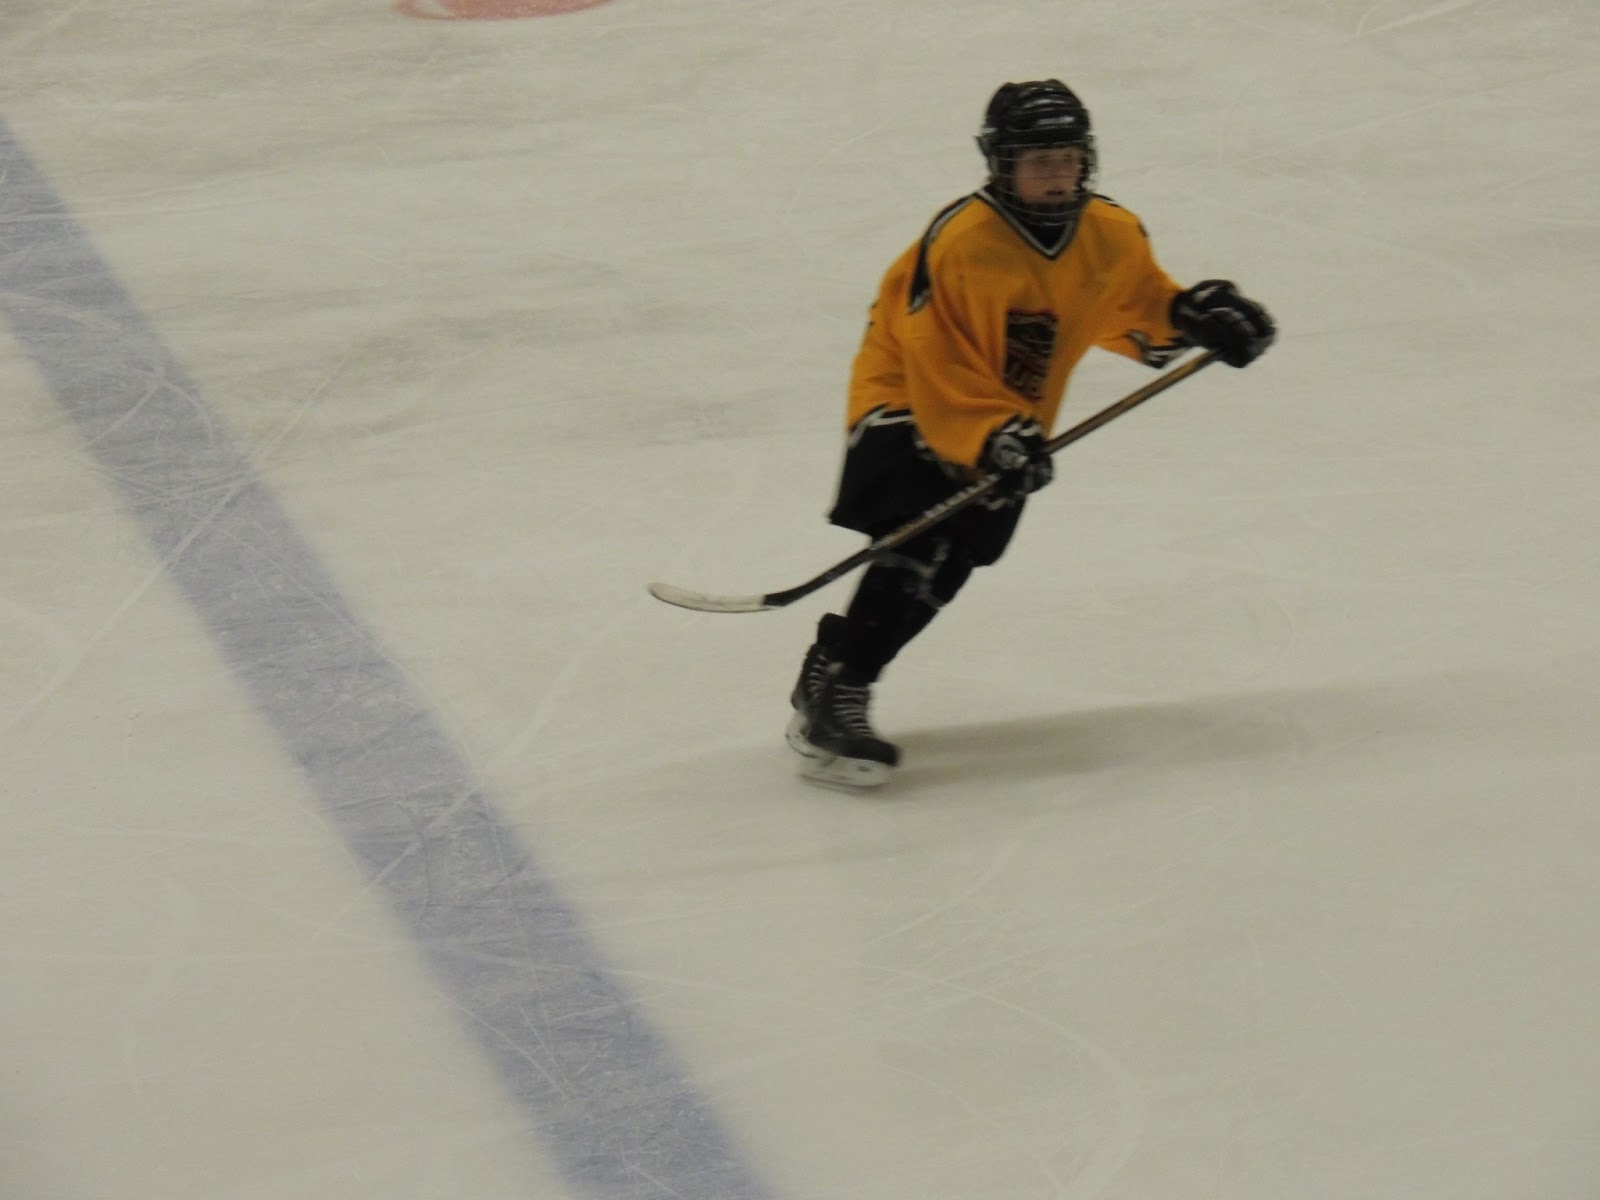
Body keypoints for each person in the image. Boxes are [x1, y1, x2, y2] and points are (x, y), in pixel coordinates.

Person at [785, 78, 1276, 788]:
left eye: (1067, 158)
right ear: (1001, 164)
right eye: (1038, 160)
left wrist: (1195, 316)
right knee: (923, 539)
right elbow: (934, 355)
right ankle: (841, 692)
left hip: (1006, 422)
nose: (1056, 174)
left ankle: (834, 668)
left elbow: (1135, 303)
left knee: (955, 560)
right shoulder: (962, 243)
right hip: (911, 401)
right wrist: (988, 434)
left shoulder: (1110, 233)